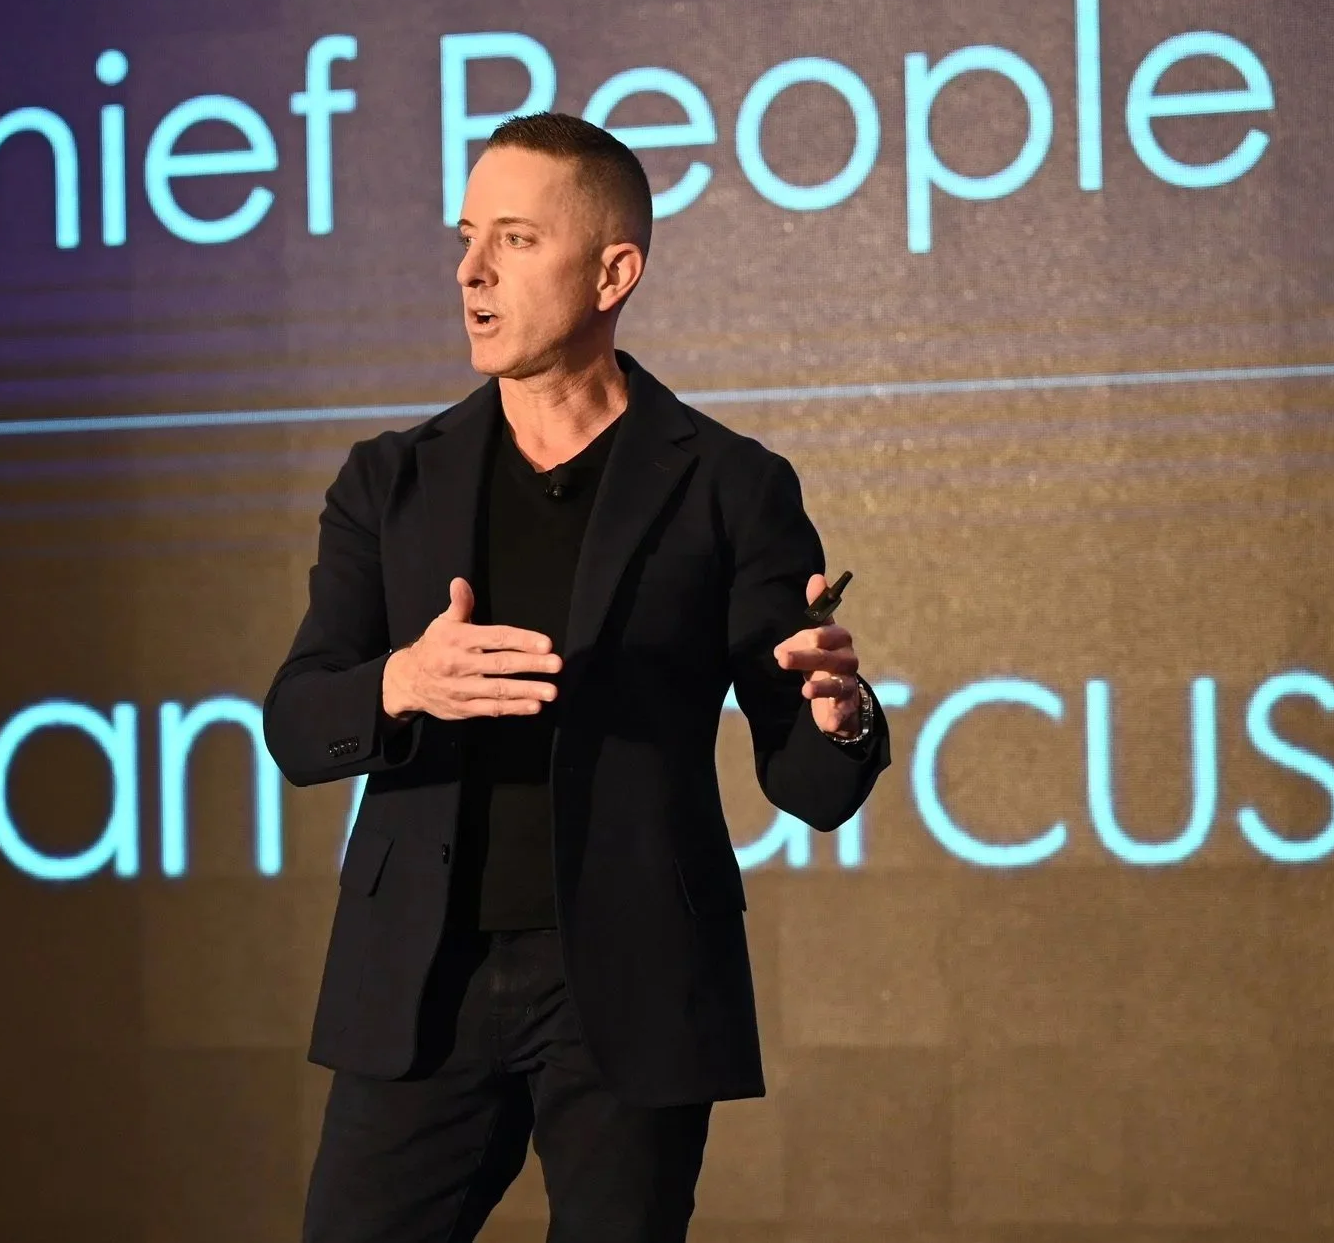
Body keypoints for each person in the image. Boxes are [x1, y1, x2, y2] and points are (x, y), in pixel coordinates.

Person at [263, 112, 891, 1243]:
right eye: (465, 238)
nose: (469, 271)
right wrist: (402, 682)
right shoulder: (390, 482)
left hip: (633, 981)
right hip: (422, 978)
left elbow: (808, 780)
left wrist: (835, 713)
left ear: (614, 272)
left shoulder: (729, 487)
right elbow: (299, 725)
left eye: (512, 238)